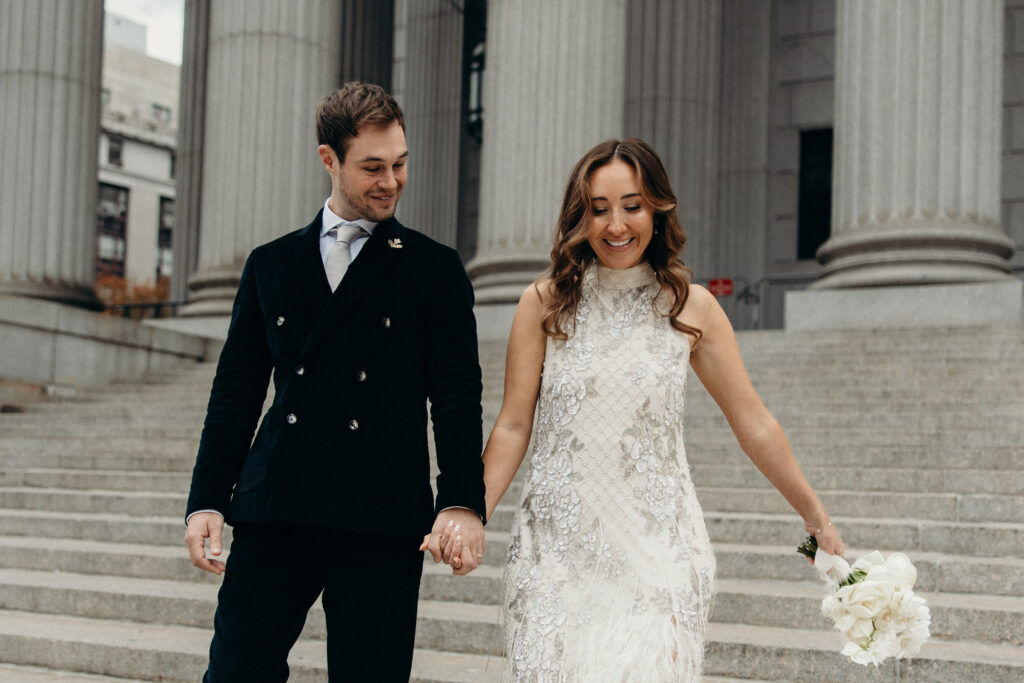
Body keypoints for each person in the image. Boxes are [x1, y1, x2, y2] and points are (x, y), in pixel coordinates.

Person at [477, 139, 845, 680]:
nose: (615, 224)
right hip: (554, 555)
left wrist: (817, 519)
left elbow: (754, 423)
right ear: (580, 217)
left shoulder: (690, 306)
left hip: (658, 553)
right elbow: (512, 425)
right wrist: (469, 512)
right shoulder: (545, 301)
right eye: (598, 209)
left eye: (632, 205)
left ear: (657, 208)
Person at [183, 82, 486, 682]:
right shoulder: (270, 263)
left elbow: (455, 396)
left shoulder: (433, 268)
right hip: (276, 507)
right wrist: (208, 500)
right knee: (235, 674)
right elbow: (237, 391)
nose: (391, 181)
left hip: (380, 514)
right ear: (329, 159)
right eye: (373, 167)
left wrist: (461, 502)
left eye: (400, 163)